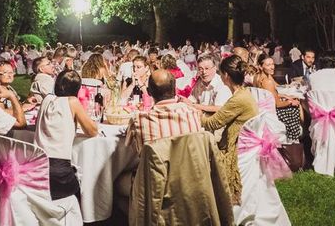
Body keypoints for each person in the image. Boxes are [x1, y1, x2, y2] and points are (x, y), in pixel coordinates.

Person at [201, 55, 259, 205]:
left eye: (220, 73)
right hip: (247, 146)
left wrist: (193, 113)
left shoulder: (238, 99)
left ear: (226, 75)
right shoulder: (244, 93)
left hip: (236, 148)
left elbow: (212, 123)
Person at [35, 70, 98, 200]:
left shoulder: (46, 100)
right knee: (85, 184)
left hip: (37, 169)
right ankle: (80, 216)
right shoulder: (73, 102)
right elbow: (92, 131)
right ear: (77, 88)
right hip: (59, 175)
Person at [126, 69, 201, 154]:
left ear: (150, 92)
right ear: (175, 89)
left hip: (156, 167)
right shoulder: (193, 114)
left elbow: (127, 147)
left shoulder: (139, 120)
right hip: (189, 166)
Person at [254, 53, 302, 143]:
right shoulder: (267, 81)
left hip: (262, 110)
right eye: (268, 65)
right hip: (271, 113)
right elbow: (278, 104)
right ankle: (295, 137)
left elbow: (271, 92)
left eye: (272, 64)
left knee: (294, 99)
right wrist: (291, 102)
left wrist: (285, 96)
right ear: (260, 66)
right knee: (297, 105)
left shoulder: (258, 76)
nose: (272, 67)